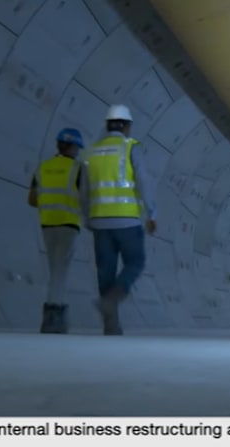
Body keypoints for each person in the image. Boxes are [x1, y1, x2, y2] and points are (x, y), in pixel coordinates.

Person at [80, 105, 157, 335]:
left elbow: (84, 190)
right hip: (127, 220)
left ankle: (110, 325)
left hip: (100, 221)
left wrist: (87, 217)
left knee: (105, 271)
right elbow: (143, 180)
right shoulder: (130, 147)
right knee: (135, 262)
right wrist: (151, 213)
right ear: (127, 125)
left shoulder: (91, 152)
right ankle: (113, 298)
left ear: (107, 125)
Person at [28, 128, 86, 334]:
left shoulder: (42, 168)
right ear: (72, 147)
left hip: (47, 224)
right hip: (69, 224)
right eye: (77, 147)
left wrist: (49, 203)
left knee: (54, 268)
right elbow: (86, 198)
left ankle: (51, 315)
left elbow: (32, 199)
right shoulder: (78, 169)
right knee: (61, 271)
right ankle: (55, 316)